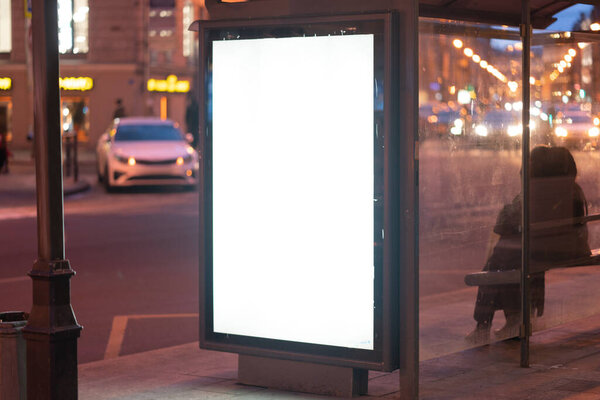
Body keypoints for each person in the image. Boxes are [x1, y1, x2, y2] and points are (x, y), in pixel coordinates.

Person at [466, 146, 590, 343]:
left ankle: (487, 323)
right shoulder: (572, 191)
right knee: (507, 258)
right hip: (567, 247)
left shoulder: (534, 193)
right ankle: (516, 318)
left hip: (542, 250)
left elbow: (503, 223)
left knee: (497, 264)